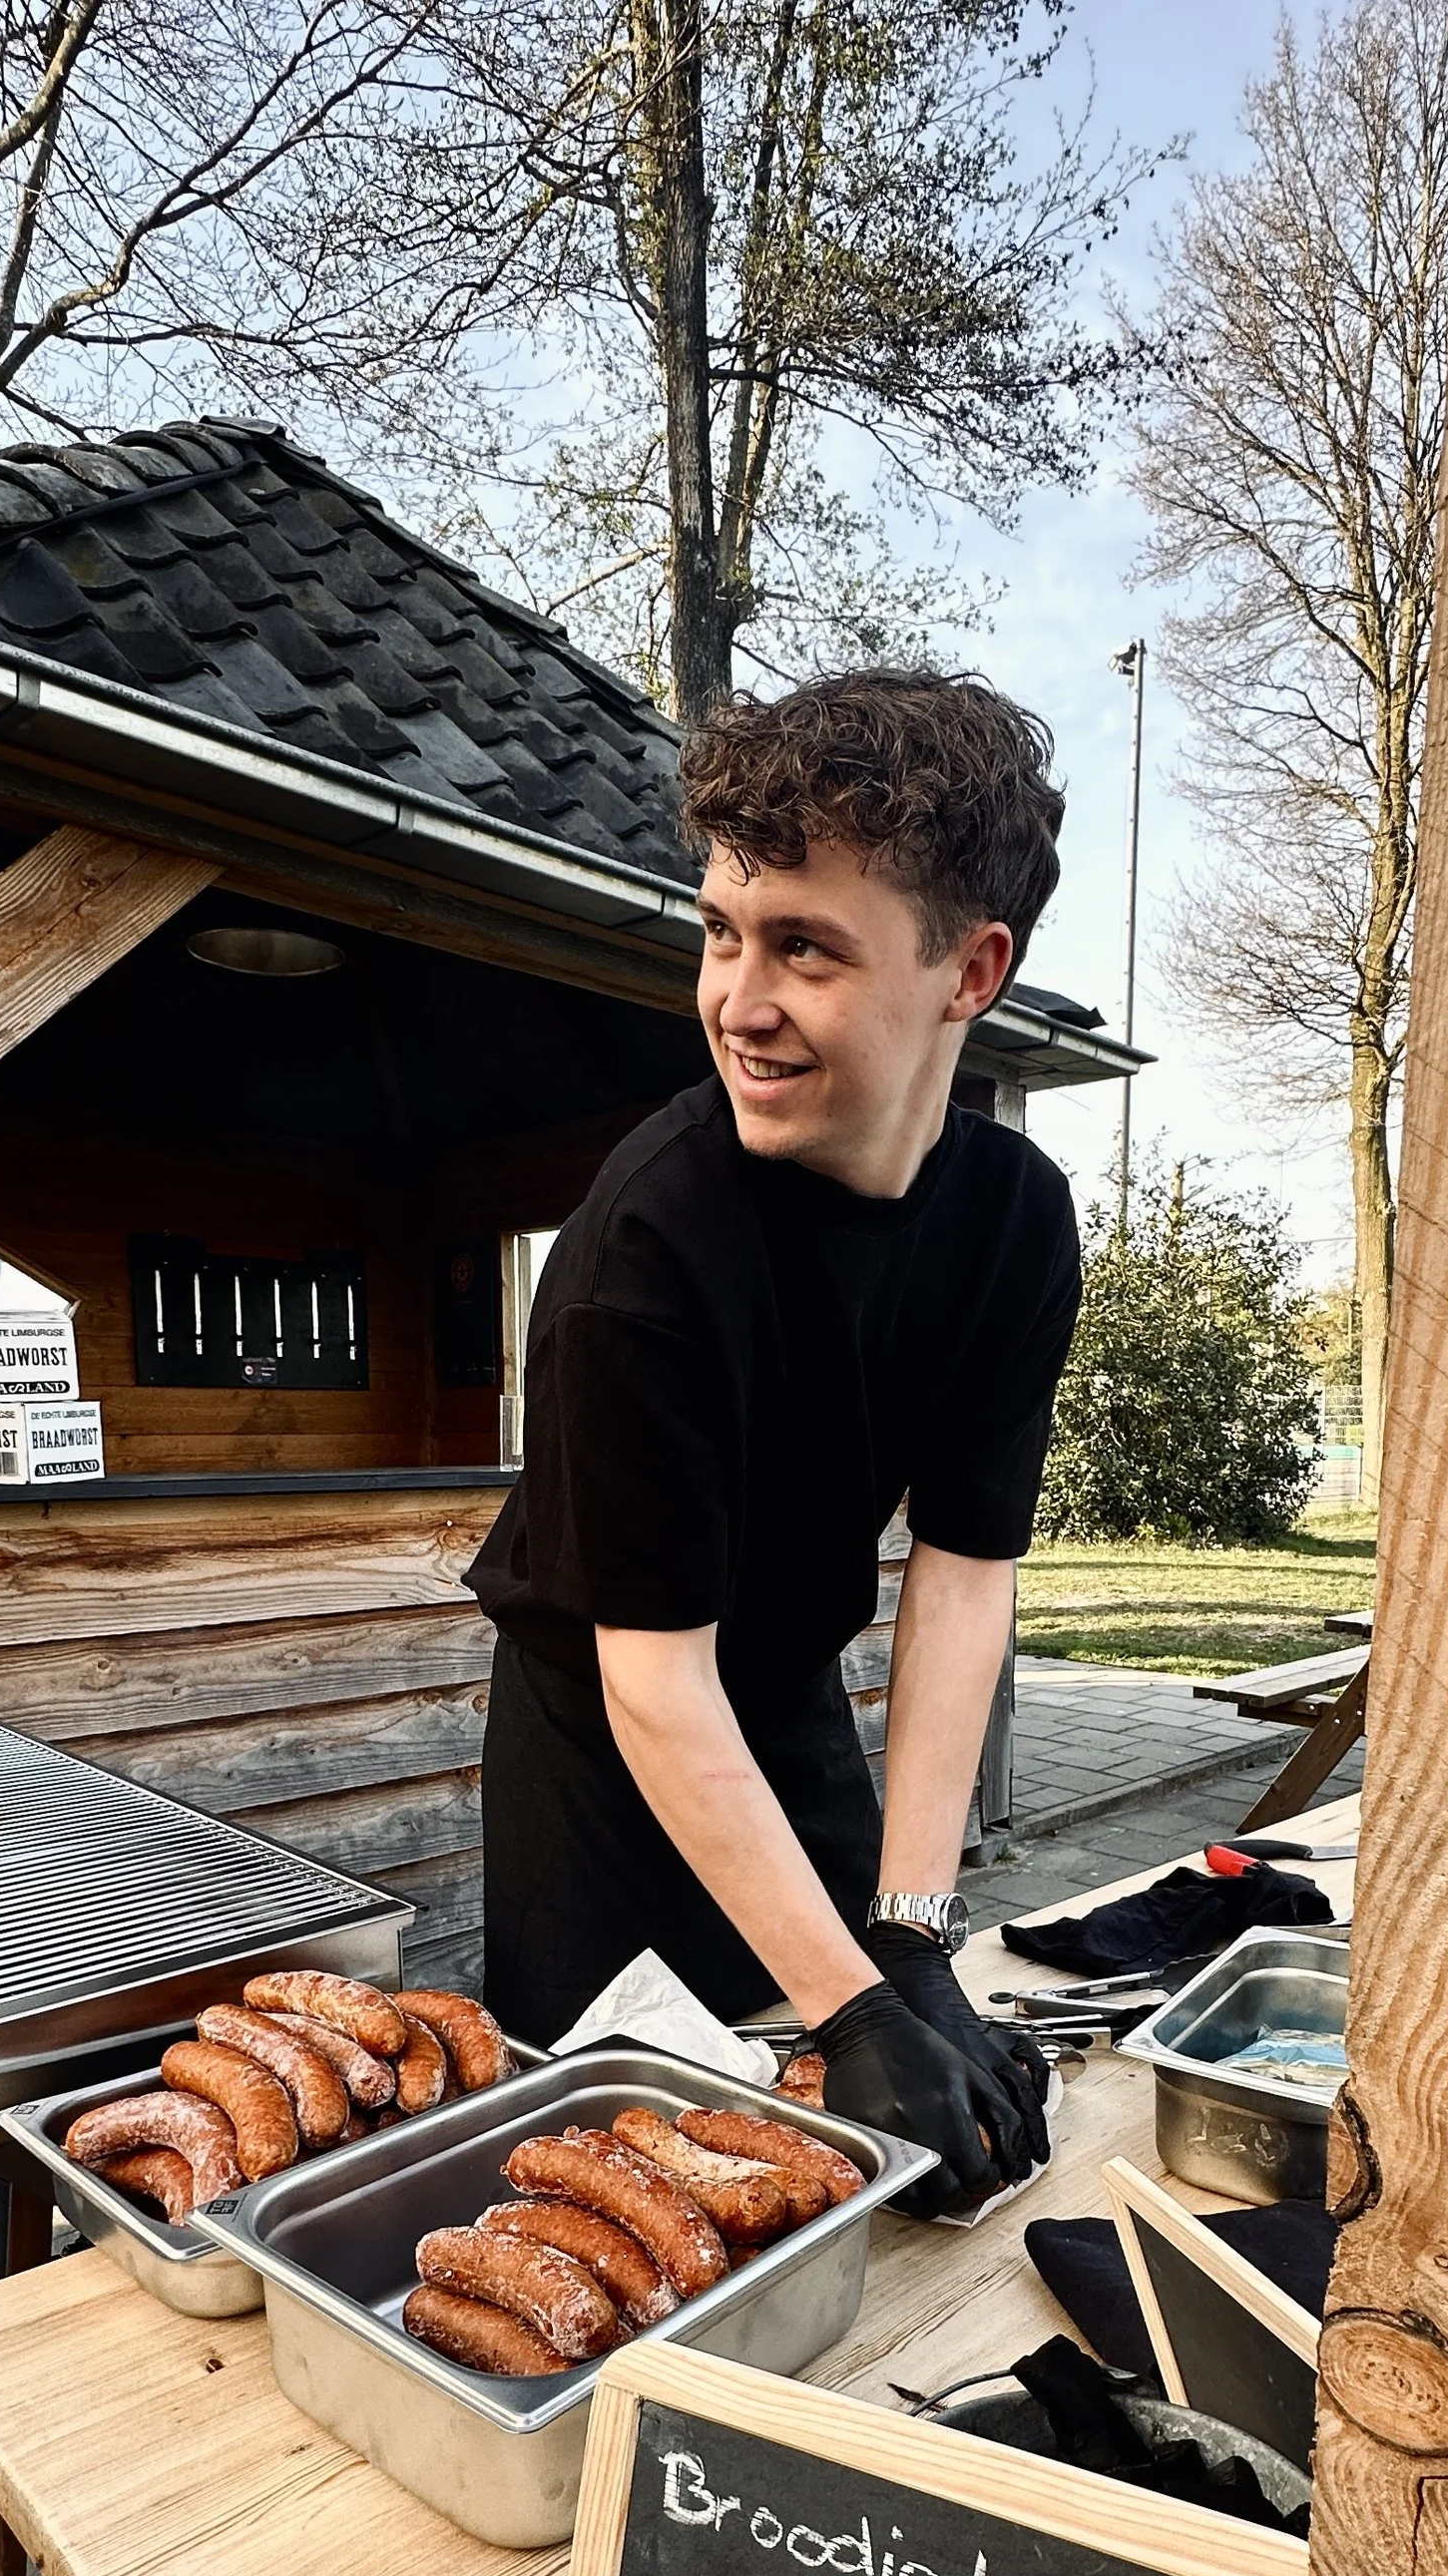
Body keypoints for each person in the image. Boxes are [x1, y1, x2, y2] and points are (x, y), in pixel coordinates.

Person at [468, 670, 1083, 2215]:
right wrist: (862, 2012)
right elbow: (652, 1679)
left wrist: (911, 1944)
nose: (739, 1001)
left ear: (970, 971)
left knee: (863, 2111)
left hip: (787, 1694)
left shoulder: (1014, 1225)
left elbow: (963, 1579)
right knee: (614, 2168)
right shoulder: (646, 1242)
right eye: (722, 934)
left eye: (804, 948)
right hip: (601, 1731)